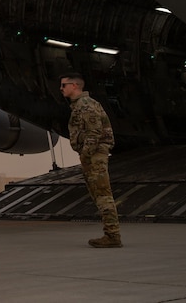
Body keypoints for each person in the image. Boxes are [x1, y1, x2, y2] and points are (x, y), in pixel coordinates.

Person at [61, 72, 122, 248]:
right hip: (92, 154)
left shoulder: (86, 104)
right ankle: (111, 234)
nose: (61, 88)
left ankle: (112, 236)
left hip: (94, 155)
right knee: (99, 194)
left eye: (63, 85)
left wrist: (86, 154)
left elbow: (94, 132)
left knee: (103, 194)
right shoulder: (80, 105)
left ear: (74, 86)